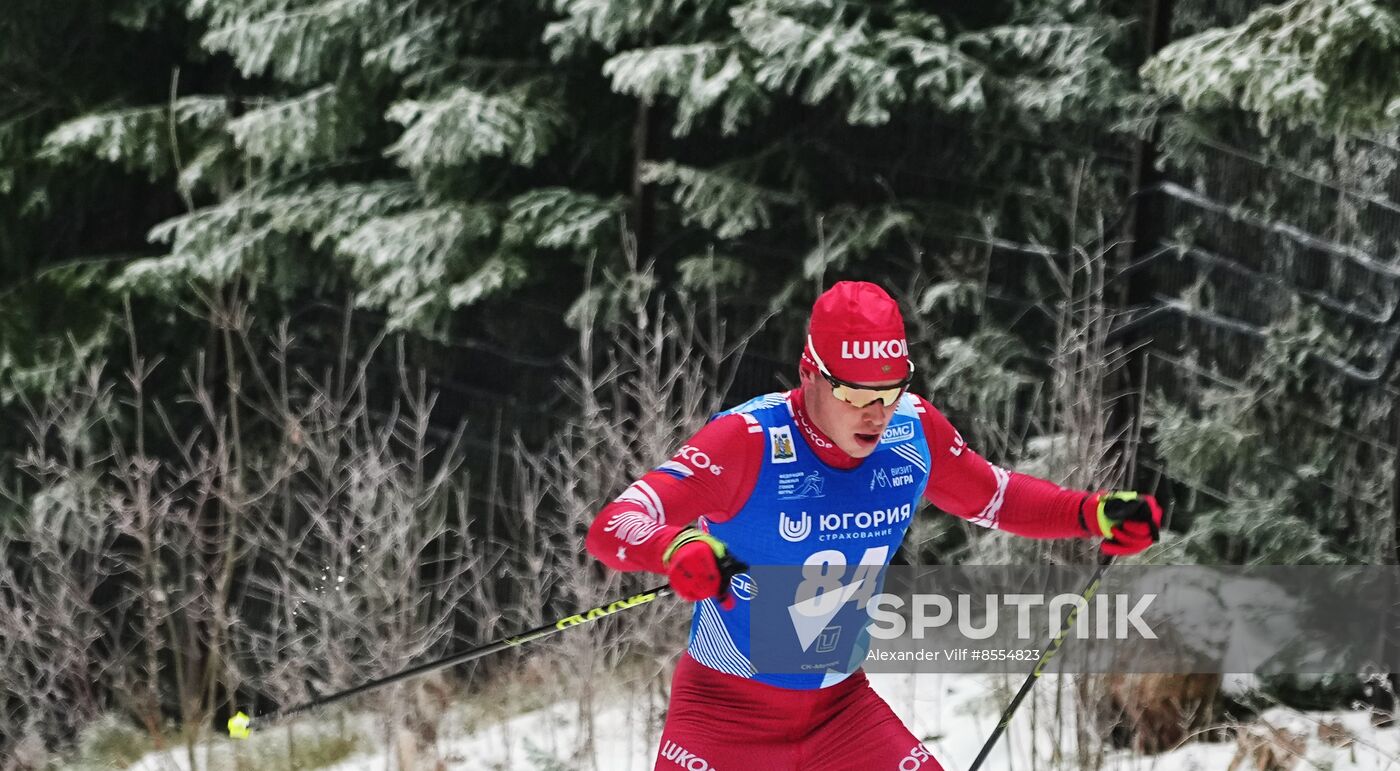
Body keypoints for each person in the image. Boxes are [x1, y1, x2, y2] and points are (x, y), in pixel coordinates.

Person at [586, 281, 1162, 771]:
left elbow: (995, 496)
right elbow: (617, 525)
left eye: (890, 391)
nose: (877, 413)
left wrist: (1092, 513)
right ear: (810, 373)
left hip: (841, 715)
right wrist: (677, 547)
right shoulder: (749, 441)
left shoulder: (911, 434)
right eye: (855, 393)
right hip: (725, 717)